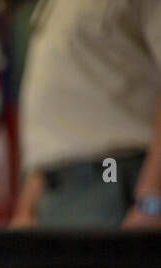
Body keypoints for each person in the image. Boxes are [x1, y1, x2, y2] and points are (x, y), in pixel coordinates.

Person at [10, 0, 161, 228]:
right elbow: (59, 113)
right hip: (54, 195)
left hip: (116, 186)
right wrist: (28, 205)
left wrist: (152, 198)